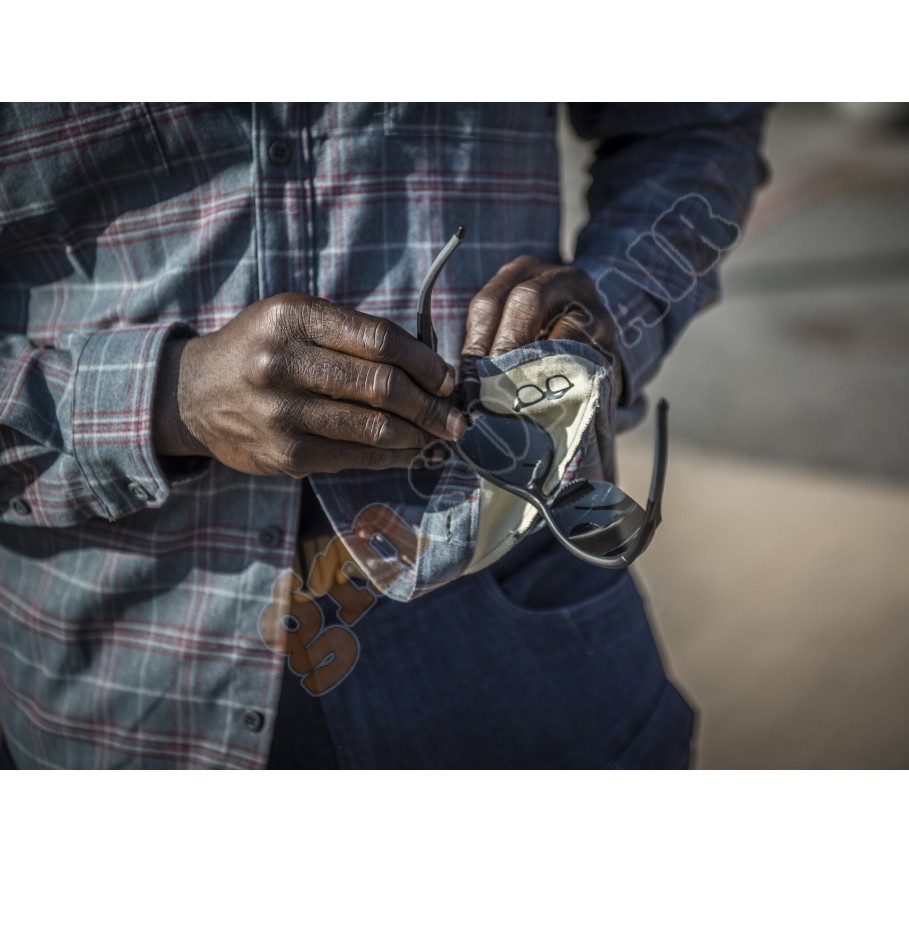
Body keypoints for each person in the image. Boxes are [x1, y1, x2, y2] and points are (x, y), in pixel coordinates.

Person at [0, 102, 769, 768]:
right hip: (119, 691)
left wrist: (615, 312)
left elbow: (697, 131)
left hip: (533, 658)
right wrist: (169, 396)